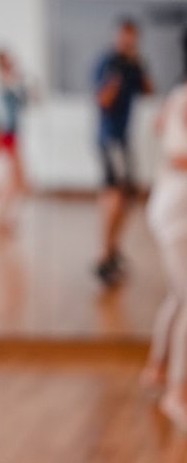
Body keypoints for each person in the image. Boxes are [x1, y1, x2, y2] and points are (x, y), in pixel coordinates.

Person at [140, 71, 187, 429]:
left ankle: (156, 368)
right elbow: (177, 156)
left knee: (178, 295)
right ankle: (178, 393)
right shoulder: (183, 98)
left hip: (176, 211)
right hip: (175, 215)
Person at [92, 17, 154, 286]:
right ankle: (104, 255)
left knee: (127, 197)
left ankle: (113, 249)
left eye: (132, 38)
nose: (128, 42)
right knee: (115, 194)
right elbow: (102, 101)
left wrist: (138, 66)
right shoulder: (107, 63)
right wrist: (116, 76)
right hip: (109, 138)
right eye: (124, 37)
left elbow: (150, 91)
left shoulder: (133, 64)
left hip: (124, 139)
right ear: (117, 36)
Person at [0, 48, 30, 235]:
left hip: (12, 134)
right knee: (11, 179)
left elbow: (25, 101)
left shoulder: (11, 82)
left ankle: (3, 218)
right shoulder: (2, 82)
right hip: (5, 135)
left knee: (18, 179)